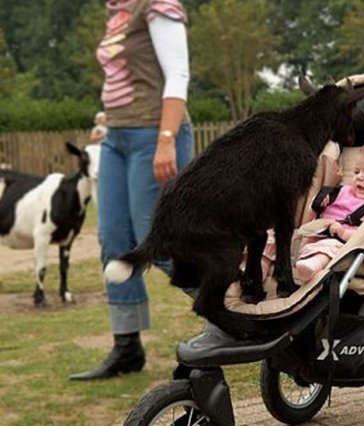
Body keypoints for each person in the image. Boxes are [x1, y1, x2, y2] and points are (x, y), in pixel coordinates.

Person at [70, 0, 194, 381]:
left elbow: (178, 74)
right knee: (113, 240)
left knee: (155, 242)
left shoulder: (157, 6)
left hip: (153, 135)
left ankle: (232, 312)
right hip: (117, 138)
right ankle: (127, 348)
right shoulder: (117, 10)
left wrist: (166, 139)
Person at [294, 139, 364, 282]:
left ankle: (311, 266)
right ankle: (262, 266)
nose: (359, 177)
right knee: (274, 237)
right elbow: (313, 215)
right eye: (356, 171)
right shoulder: (343, 191)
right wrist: (319, 204)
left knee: (329, 248)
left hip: (340, 246)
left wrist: (344, 233)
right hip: (312, 235)